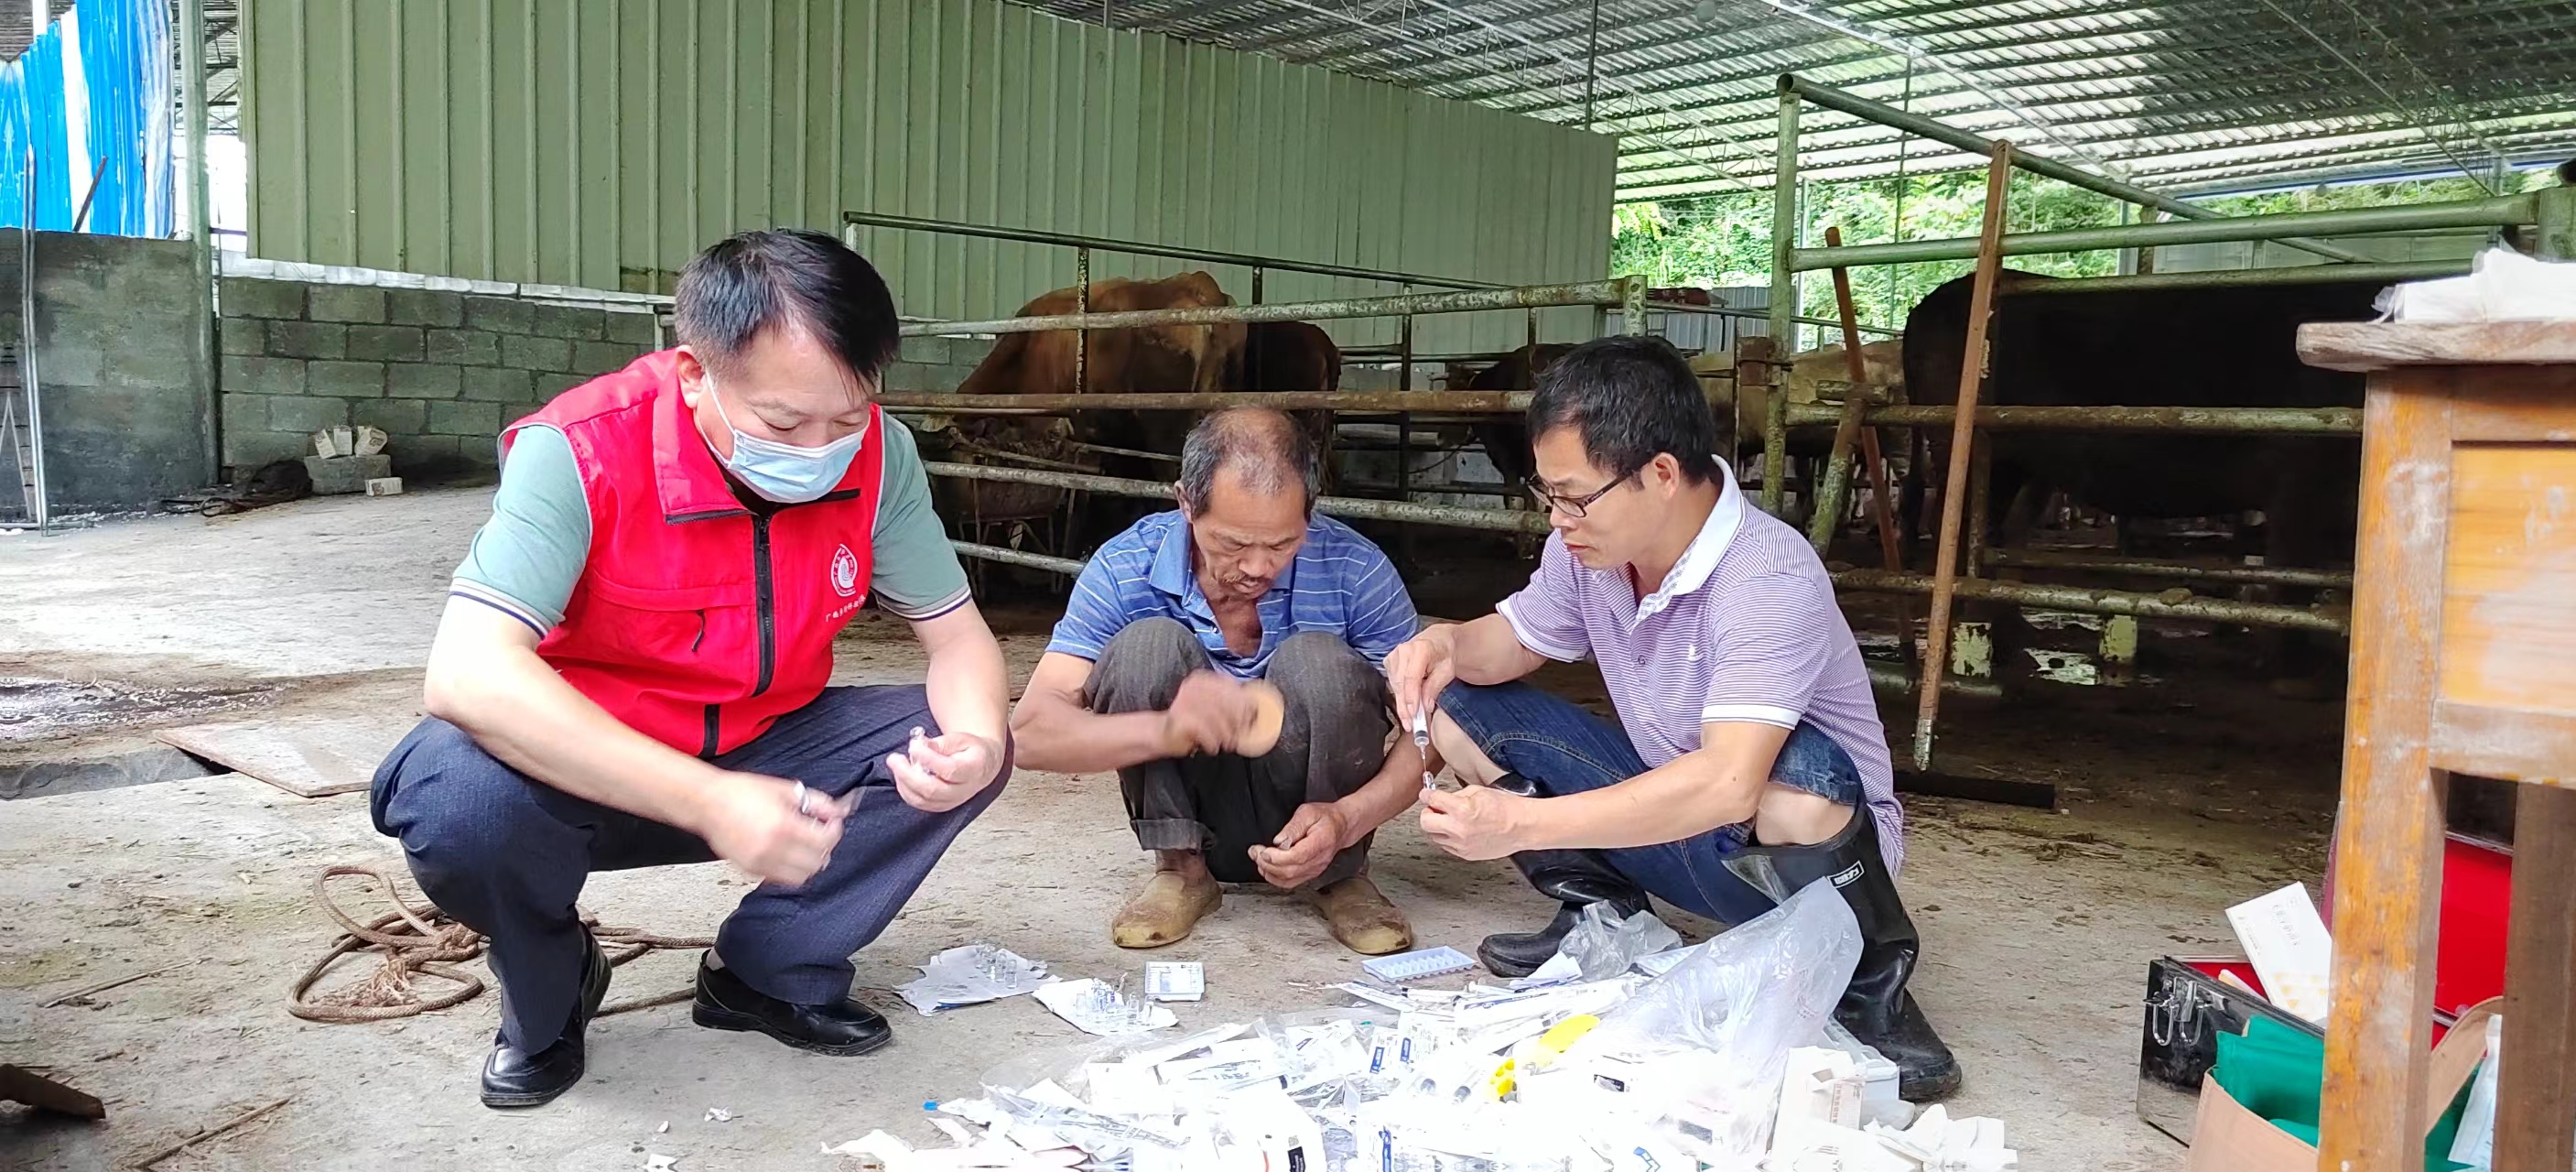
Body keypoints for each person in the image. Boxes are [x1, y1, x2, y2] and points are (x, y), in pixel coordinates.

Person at [370, 229, 1012, 1109]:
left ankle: (765, 972)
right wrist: (708, 800)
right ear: (692, 374)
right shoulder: (580, 451)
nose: (821, 448)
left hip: (766, 746)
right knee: (457, 797)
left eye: (849, 417)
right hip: (588, 770)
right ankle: (551, 986)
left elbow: (959, 638)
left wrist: (976, 743)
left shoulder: (881, 457)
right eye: (782, 422)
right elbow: (468, 671)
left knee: (965, 734)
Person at [1384, 336, 1961, 1102]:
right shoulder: (1589, 550)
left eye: (1573, 497)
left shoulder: (1767, 573)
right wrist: (1443, 644)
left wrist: (1519, 824)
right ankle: (1606, 919)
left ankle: (1866, 985)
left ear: (1659, 474)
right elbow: (1511, 643)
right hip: (1674, 819)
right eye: (1547, 494)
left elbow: (1729, 785)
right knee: (1456, 699)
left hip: (1788, 867)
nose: (1557, 519)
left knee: (1801, 779)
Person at [1011, 408, 1425, 955]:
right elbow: (1030, 734)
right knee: (1146, 646)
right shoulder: (1124, 567)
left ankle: (1339, 875)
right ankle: (1181, 871)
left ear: (1310, 509)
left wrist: (1347, 820)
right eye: (1232, 544)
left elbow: (1432, 728)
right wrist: (1168, 729)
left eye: (1282, 544)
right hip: (1192, 803)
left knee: (1320, 661)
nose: (1257, 567)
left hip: (1322, 817)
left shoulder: (1355, 568)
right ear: (1186, 503)